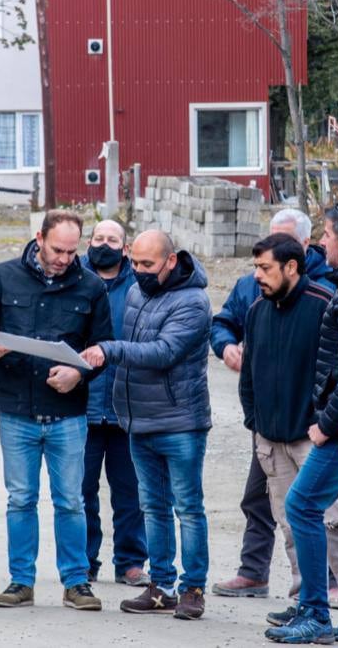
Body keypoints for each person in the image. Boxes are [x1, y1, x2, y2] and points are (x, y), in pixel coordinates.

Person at [0, 210, 113, 612]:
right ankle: (21, 581)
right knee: (20, 499)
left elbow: (103, 351)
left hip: (67, 414)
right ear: (39, 238)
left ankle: (76, 582)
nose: (64, 258)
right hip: (16, 410)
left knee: (70, 500)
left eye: (71, 250)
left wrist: (78, 376)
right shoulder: (3, 276)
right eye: (57, 249)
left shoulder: (91, 287)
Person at [267, 203, 338, 644]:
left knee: (305, 505)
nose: (319, 241)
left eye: (326, 234)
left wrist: (327, 423)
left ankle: (326, 612)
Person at [80, 230, 212, 620]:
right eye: (134, 263)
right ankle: (162, 586)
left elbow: (164, 352)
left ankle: (193, 588)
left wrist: (109, 349)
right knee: (152, 507)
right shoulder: (138, 292)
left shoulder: (193, 301)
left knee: (188, 508)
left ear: (171, 261)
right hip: (138, 421)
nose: (138, 271)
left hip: (180, 422)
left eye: (147, 265)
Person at [238, 234, 338, 633]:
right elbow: (249, 373)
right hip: (270, 438)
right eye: (256, 267)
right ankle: (306, 604)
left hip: (313, 439)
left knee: (335, 522)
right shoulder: (258, 309)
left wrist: (324, 425)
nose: (257, 276)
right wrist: (254, 421)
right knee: (291, 524)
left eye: (265, 268)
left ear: (291, 267)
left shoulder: (323, 304)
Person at [211, 209, 336, 601]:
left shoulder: (326, 289)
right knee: (260, 499)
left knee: (326, 512)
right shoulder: (253, 288)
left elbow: (336, 367)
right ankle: (256, 573)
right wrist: (226, 346)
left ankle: (334, 588)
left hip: (310, 426)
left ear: (299, 250)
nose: (260, 270)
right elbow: (223, 322)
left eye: (281, 244)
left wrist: (324, 419)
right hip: (268, 422)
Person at [80, 220, 150, 587]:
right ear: (88, 242)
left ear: (125, 249)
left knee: (130, 491)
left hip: (126, 406)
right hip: (82, 405)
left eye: (113, 239)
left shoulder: (140, 285)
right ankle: (84, 560)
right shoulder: (74, 279)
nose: (104, 244)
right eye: (98, 238)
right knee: (81, 490)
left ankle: (131, 562)